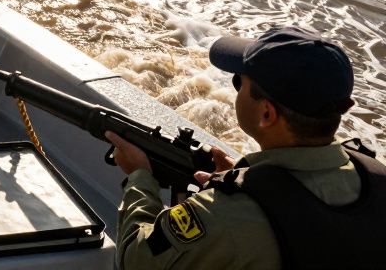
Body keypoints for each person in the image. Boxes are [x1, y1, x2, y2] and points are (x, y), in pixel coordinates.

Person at [107, 26, 386, 269]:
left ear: (266, 114)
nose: (235, 90)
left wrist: (139, 178)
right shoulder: (376, 178)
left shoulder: (226, 214)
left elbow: (135, 260)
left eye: (239, 82)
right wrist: (246, 178)